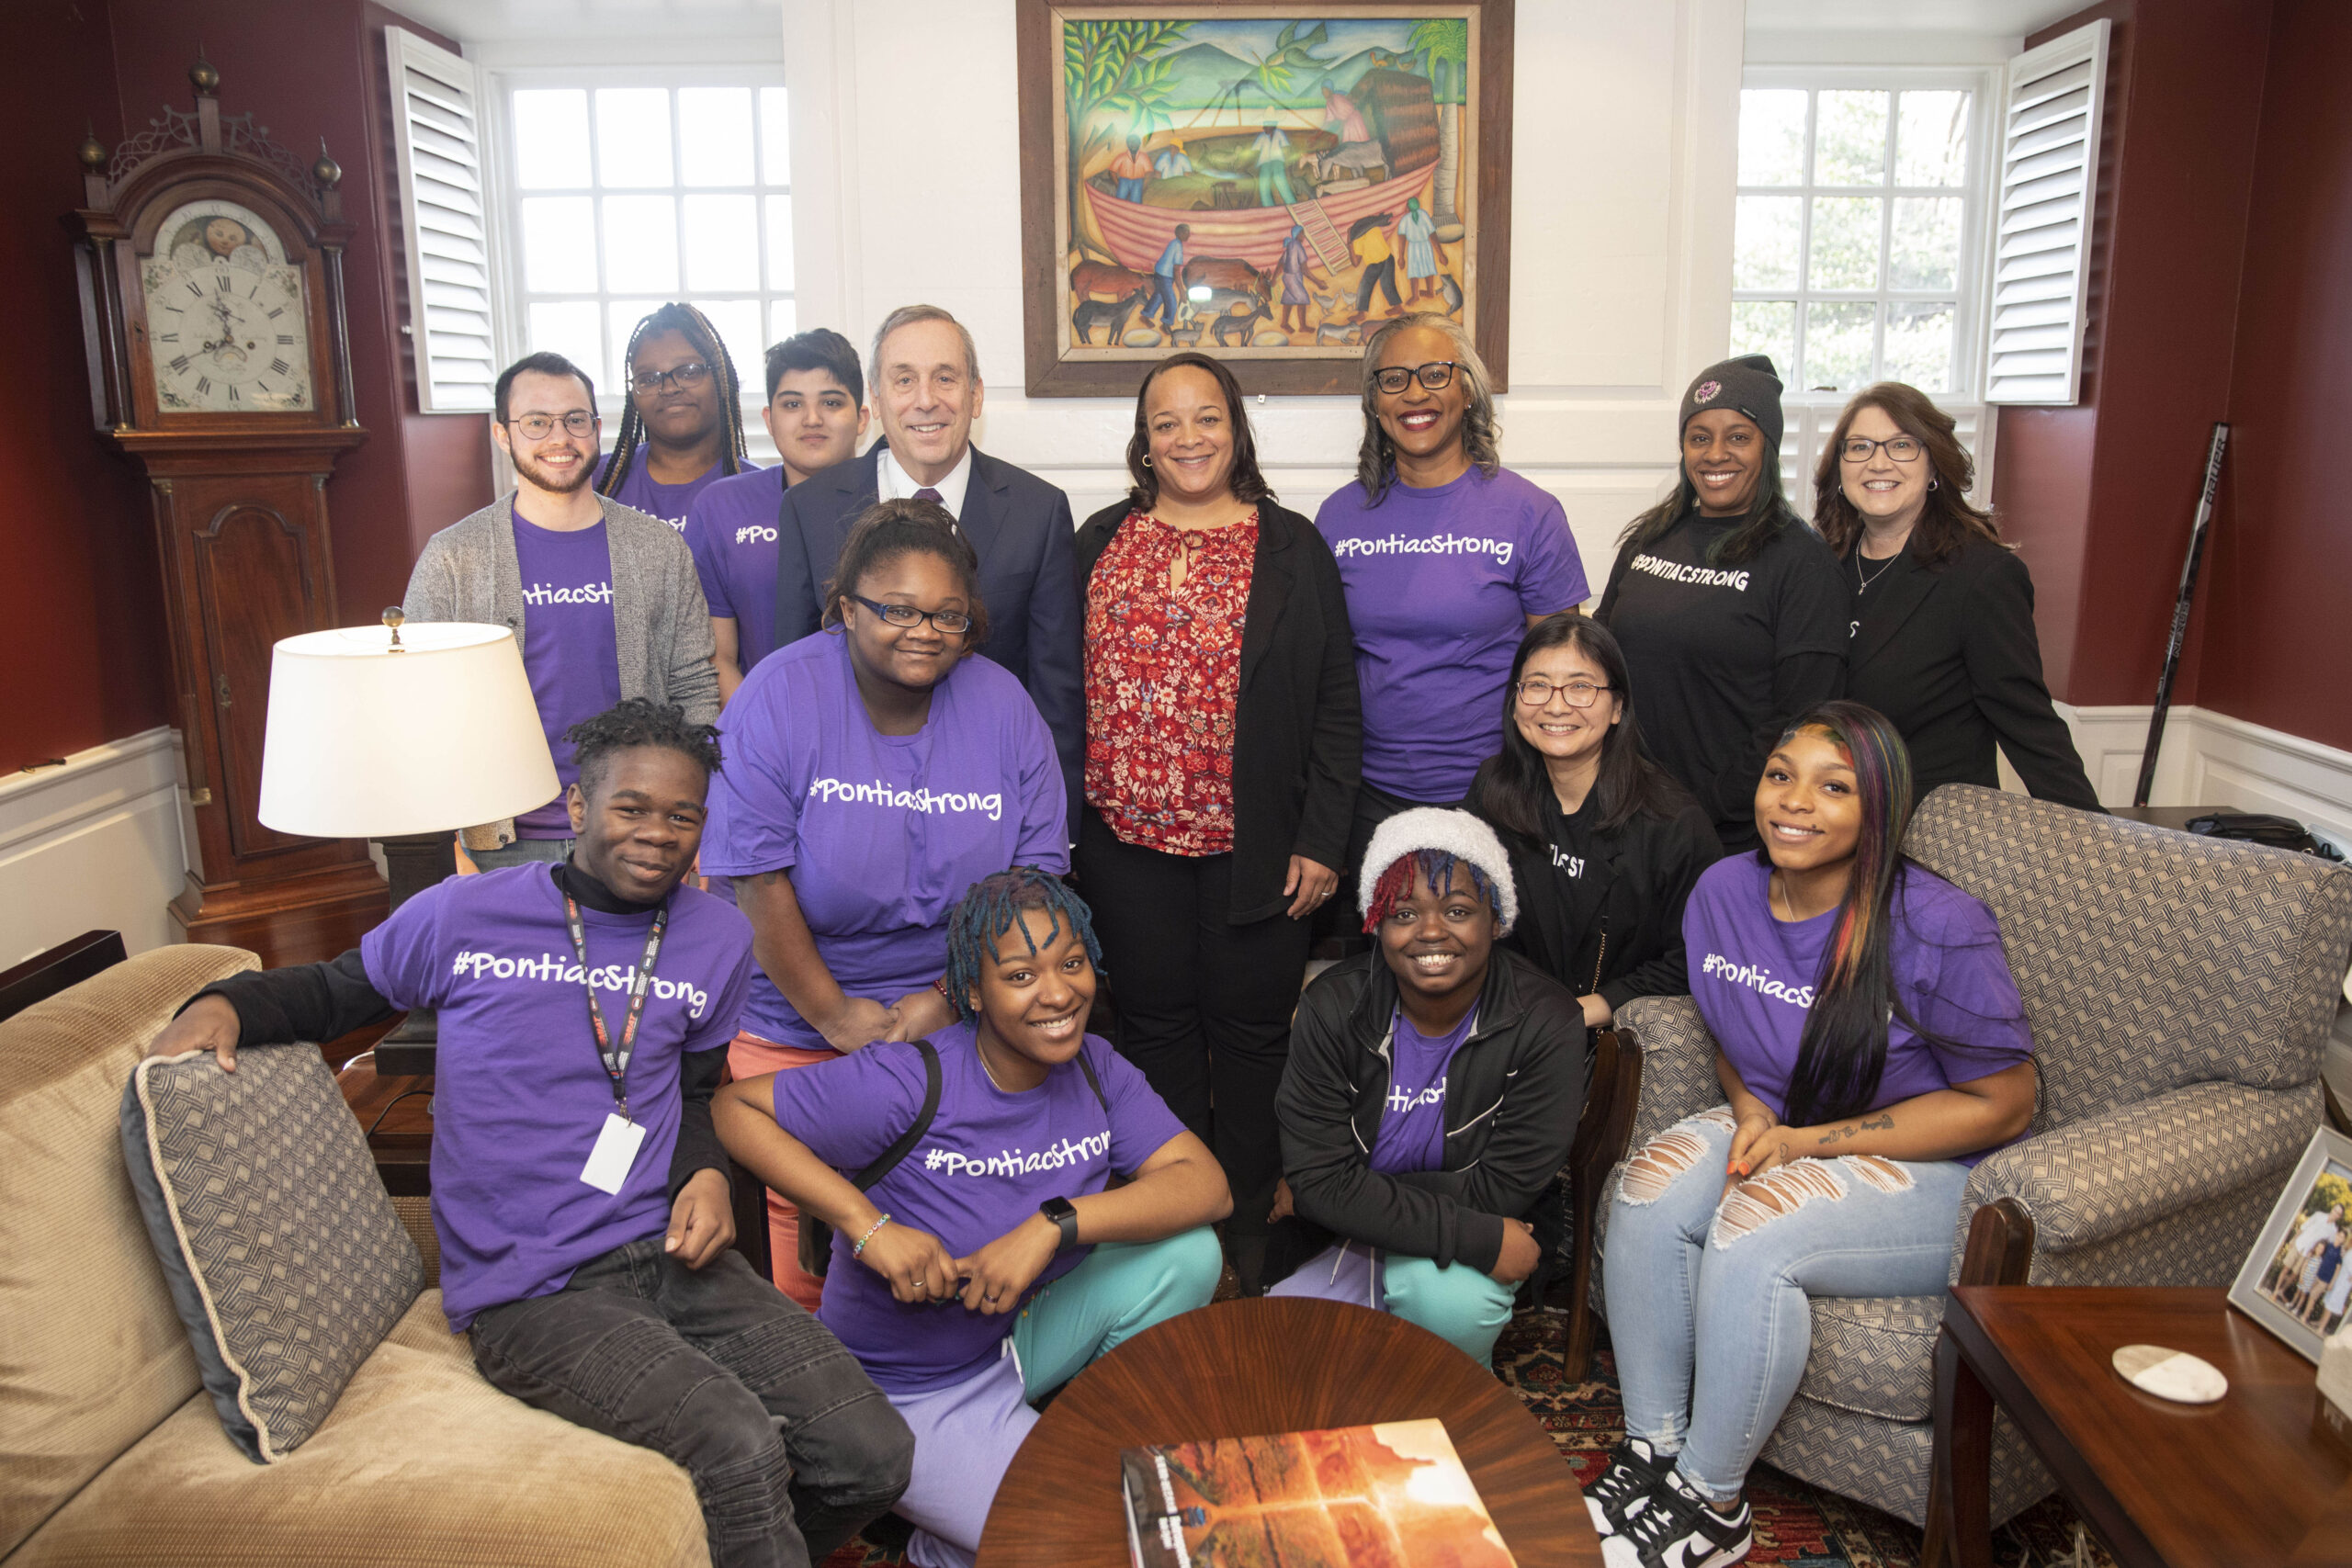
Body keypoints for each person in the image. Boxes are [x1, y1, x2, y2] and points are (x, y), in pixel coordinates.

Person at [148, 699, 914, 1568]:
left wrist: (700, 1171)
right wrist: (226, 1002)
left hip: (670, 1257)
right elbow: (334, 991)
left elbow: (699, 1085)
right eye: (632, 807)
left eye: (682, 814)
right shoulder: (460, 916)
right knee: (738, 1444)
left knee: (873, 1453)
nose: (657, 833)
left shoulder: (718, 936)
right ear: (580, 808)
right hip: (534, 1294)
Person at [1589, 702, 2036, 1568]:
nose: (1795, 801)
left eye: (1834, 787)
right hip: (1787, 1121)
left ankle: (1714, 1504)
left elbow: (2006, 1102)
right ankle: (1655, 1452)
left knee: (1755, 1229)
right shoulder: (1722, 890)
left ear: (1880, 810)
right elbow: (1731, 1027)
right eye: (1781, 775)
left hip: (1935, 1166)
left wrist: (1806, 1144)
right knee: (1647, 1191)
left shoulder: (1938, 923)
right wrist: (1752, 1110)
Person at [715, 868, 1229, 1568]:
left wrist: (1054, 1221)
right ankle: (950, 1537)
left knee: (1189, 1252)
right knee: (1088, 1539)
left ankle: (1055, 1445)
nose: (1057, 993)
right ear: (974, 993)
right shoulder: (907, 1082)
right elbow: (734, 1108)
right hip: (905, 1388)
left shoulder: (1097, 1069)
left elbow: (1206, 1185)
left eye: (1071, 963)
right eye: (1021, 974)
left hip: (1015, 1336)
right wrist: (868, 1227)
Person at [707, 501, 1068, 1309]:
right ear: (844, 608)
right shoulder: (777, 696)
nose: (925, 631)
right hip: (798, 1017)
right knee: (820, 1270)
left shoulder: (1003, 704)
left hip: (965, 1013)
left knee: (964, 1240)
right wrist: (837, 1018)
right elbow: (756, 881)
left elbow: (1034, 883)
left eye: (949, 615)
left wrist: (948, 1000)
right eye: (896, 609)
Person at [1074, 352, 1361, 1291]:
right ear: (1142, 441)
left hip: (1258, 853)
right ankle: (1169, 1230)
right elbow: (1061, 685)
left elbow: (1334, 702)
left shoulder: (1292, 546)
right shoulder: (1098, 541)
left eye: (1206, 418)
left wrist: (1322, 839)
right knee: (1151, 1032)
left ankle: (1246, 1232)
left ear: (1235, 429)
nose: (1188, 438)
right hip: (1125, 848)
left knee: (1249, 1040)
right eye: (1167, 422)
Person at [1266, 807, 1586, 1366]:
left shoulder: (1546, 1020)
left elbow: (1500, 1191)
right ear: (1376, 924)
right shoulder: (1332, 1006)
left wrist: (1340, 1193)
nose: (1431, 932)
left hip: (1449, 1250)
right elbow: (1319, 1183)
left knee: (1448, 1306)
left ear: (1497, 919)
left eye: (1458, 910)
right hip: (1350, 1239)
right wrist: (1325, 1191)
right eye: (1404, 912)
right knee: (1280, 1371)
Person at [405, 352, 718, 869]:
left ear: (596, 428)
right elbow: (422, 701)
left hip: (638, 831)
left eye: (575, 420)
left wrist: (691, 817)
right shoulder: (454, 557)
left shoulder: (657, 549)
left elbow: (693, 688)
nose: (560, 438)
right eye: (536, 422)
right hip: (502, 837)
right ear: (503, 434)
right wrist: (462, 830)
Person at [1317, 314, 1589, 908]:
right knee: (1390, 967)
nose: (1415, 393)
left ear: (1467, 390)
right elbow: (1323, 671)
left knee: (1495, 969)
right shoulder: (1338, 518)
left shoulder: (1529, 513)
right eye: (1393, 379)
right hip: (1370, 796)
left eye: (1435, 374)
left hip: (1496, 794)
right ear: (1374, 402)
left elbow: (1562, 679)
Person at [775, 306, 1084, 819]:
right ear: (876, 399)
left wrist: (1058, 831)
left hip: (991, 799)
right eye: (904, 380)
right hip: (848, 801)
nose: (926, 400)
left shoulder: (1038, 511)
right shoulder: (811, 508)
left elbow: (1057, 690)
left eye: (946, 378)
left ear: (976, 395)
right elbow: (793, 670)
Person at [1594, 355, 1849, 855]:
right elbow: (1600, 657)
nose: (1715, 454)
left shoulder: (1802, 563)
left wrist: (1704, 806)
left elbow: (1801, 716)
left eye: (1738, 436)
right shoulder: (1651, 538)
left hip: (1728, 828)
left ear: (1767, 447)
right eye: (1699, 437)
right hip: (1625, 808)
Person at [1815, 382, 2099, 811]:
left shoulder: (1982, 576)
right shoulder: (1819, 565)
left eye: (1902, 445)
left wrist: (2094, 840)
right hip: (1826, 816)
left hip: (1930, 829)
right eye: (1859, 447)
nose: (1878, 462)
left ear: (1934, 466)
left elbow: (2026, 720)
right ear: (1839, 468)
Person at [1470, 615, 1721, 1032]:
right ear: (1515, 702)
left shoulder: (1672, 823)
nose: (1555, 704)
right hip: (1511, 1013)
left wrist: (1577, 1012)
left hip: (1614, 1030)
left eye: (1581, 687)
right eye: (1537, 685)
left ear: (1618, 707)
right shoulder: (1493, 789)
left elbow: (1691, 960)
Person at [687, 329, 870, 702]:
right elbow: (717, 657)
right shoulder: (721, 507)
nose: (812, 419)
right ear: (769, 420)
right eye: (792, 404)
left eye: (832, 403)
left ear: (863, 418)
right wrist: (760, 735)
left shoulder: (895, 500)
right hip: (763, 726)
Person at [595, 302, 756, 531]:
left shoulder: (762, 491)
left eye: (689, 371)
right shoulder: (598, 481)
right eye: (649, 378)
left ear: (722, 379)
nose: (669, 388)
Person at [1350, 211, 1402, 320]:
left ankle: (1361, 314)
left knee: (1365, 286)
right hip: (1388, 258)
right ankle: (1398, 307)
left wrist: (1349, 245)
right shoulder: (1374, 229)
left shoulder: (1357, 240)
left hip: (1376, 263)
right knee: (1388, 284)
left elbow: (1355, 263)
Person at [1277, 224, 1322, 336]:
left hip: (1288, 277)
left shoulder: (1290, 246)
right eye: (1303, 233)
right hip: (1293, 277)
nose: (1304, 236)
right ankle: (1303, 326)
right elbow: (1304, 269)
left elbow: (1281, 263)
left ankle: (1284, 323)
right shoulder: (1298, 247)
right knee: (1302, 299)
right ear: (1298, 234)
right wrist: (1318, 282)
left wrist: (1274, 278)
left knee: (1289, 299)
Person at [1396, 196, 1443, 303]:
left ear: (1408, 207)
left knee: (1415, 272)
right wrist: (1440, 254)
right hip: (1425, 246)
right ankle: (1427, 292)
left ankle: (1417, 295)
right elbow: (1432, 235)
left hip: (1415, 248)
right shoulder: (1423, 215)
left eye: (1407, 206)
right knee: (1426, 268)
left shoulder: (1405, 219)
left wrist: (1401, 257)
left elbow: (1402, 240)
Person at [1148, 224, 1191, 336]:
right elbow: (1176, 270)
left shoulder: (1174, 243)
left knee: (1159, 296)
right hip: (1164, 276)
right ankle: (1165, 324)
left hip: (1160, 273)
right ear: (1180, 233)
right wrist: (1181, 291)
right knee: (1171, 301)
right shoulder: (1177, 247)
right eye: (1187, 232)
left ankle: (1146, 314)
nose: (1189, 235)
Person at [1252, 120, 1295, 207]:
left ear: (1272, 126)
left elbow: (1286, 147)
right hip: (1264, 162)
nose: (1264, 128)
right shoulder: (1261, 136)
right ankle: (1269, 207)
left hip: (1277, 160)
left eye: (1266, 125)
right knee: (1263, 184)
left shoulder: (1279, 133)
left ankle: (1292, 204)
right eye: (1263, 125)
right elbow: (1255, 151)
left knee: (1279, 178)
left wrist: (1288, 162)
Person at [1110, 133, 1153, 201]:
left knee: (1135, 202)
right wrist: (1117, 184)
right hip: (1124, 180)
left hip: (1138, 181)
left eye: (1135, 142)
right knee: (1120, 201)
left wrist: (1144, 186)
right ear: (1127, 144)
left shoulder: (1144, 157)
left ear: (1139, 143)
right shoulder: (1121, 156)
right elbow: (1112, 171)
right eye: (1131, 142)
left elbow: (1149, 173)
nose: (1133, 144)